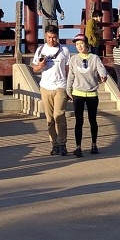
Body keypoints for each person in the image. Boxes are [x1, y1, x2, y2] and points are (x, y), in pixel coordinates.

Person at [65, 33, 107, 157]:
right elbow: (71, 75)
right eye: (77, 44)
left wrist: (103, 75)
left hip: (92, 93)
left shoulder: (94, 58)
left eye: (81, 43)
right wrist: (68, 89)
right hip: (78, 93)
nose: (79, 46)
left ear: (87, 44)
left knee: (92, 120)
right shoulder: (73, 59)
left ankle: (94, 145)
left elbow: (101, 69)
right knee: (79, 121)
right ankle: (78, 147)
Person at [30, 25, 70, 155]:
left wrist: (70, 87)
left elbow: (68, 70)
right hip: (46, 87)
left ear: (57, 36)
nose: (51, 40)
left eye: (53, 37)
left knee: (59, 115)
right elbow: (35, 68)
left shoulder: (64, 50)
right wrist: (41, 66)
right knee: (50, 118)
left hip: (60, 86)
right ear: (45, 36)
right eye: (48, 37)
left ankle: (62, 144)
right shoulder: (41, 49)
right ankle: (54, 144)